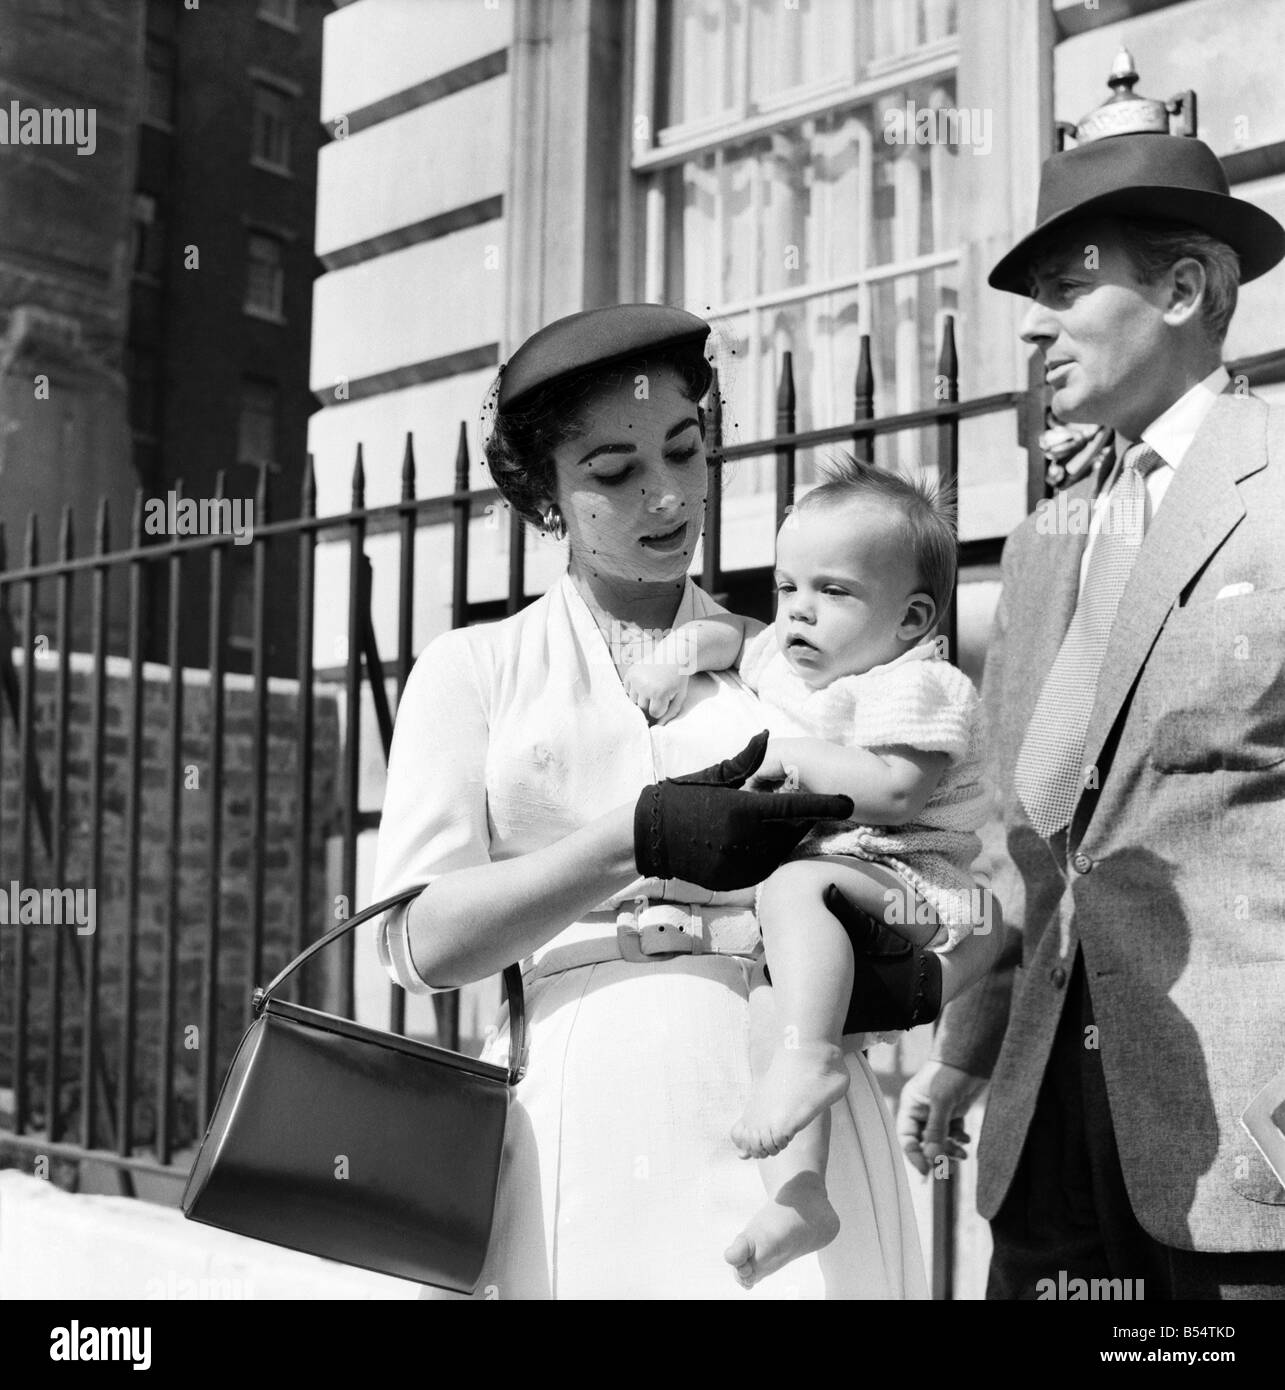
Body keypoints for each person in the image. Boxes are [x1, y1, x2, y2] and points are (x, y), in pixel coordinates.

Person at [370, 304, 931, 1299]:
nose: (665, 496)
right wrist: (633, 839)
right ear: (546, 494)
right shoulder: (476, 669)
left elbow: (912, 844)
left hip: (785, 1117)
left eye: (683, 450)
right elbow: (419, 943)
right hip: (583, 1106)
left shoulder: (790, 666)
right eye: (613, 472)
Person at [897, 91, 1285, 1297]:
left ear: (1180, 292)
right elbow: (1032, 828)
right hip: (1047, 1123)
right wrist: (969, 1045)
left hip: (1239, 1130)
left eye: (1070, 290)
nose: (1037, 330)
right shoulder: (1045, 536)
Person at [629, 455, 1003, 1288]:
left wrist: (790, 755)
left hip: (917, 882)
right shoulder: (787, 658)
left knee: (791, 893)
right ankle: (800, 1196)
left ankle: (812, 1063)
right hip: (831, 893)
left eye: (832, 592)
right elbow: (730, 631)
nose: (797, 611)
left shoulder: (918, 683)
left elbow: (898, 792)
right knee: (773, 1009)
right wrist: (680, 653)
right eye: (787, 585)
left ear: (910, 619)